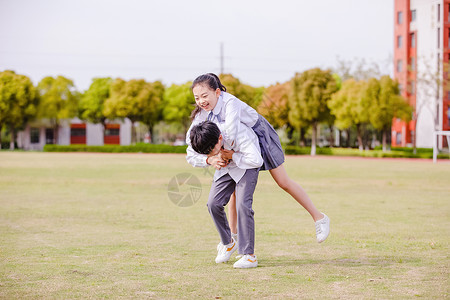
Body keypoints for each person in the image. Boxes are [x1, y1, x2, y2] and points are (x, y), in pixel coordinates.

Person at [187, 73, 330, 245]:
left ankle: (319, 217)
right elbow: (191, 138)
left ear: (217, 92)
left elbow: (231, 132)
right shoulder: (203, 112)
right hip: (234, 142)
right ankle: (234, 237)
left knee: (283, 181)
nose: (201, 101)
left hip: (258, 135)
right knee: (233, 190)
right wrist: (211, 155)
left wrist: (217, 146)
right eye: (197, 98)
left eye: (204, 96)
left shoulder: (230, 102)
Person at [189, 120, 263, 269]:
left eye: (212, 150)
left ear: (220, 138)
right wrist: (210, 159)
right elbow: (190, 157)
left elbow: (257, 160)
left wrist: (233, 156)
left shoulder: (237, 133)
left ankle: (249, 256)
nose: (211, 153)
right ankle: (228, 242)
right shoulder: (206, 140)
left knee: (243, 205)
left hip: (247, 166)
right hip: (226, 168)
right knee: (213, 203)